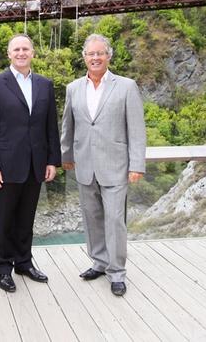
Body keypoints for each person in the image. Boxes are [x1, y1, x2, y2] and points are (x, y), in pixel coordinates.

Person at [60, 33, 146, 297]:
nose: (95, 57)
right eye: (90, 54)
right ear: (84, 57)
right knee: (92, 218)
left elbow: (137, 129)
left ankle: (117, 272)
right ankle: (98, 262)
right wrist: (66, 157)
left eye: (100, 53)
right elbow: (68, 126)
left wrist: (137, 165)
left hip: (116, 167)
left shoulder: (126, 86)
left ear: (108, 56)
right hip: (85, 165)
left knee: (115, 220)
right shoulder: (74, 88)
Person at [0, 34, 61, 293]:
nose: (21, 53)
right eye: (16, 49)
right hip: (4, 166)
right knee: (4, 219)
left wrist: (52, 160)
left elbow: (51, 126)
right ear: (9, 54)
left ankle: (24, 262)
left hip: (35, 164)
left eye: (26, 49)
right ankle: (3, 267)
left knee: (26, 218)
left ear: (32, 53)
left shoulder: (44, 84)